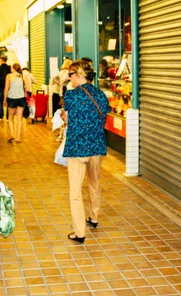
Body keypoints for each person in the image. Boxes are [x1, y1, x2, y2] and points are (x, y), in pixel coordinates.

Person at [62, 60, 110, 244]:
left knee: (75, 192)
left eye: (71, 74)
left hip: (77, 147)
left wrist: (64, 117)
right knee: (94, 182)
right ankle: (94, 216)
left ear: (81, 74)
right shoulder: (100, 94)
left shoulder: (72, 96)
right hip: (97, 145)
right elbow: (103, 118)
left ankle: (79, 232)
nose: (69, 77)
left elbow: (68, 119)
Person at [3, 63, 26, 143]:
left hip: (12, 98)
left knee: (10, 118)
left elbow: (6, 89)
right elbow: (24, 88)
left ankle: (12, 134)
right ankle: (18, 137)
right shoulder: (21, 76)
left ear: (13, 68)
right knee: (19, 118)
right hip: (21, 98)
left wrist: (4, 100)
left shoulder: (9, 76)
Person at [0, 56, 11, 120]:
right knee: (8, 102)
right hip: (8, 87)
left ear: (1, 60)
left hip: (0, 87)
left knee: (0, 102)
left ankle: (1, 116)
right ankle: (7, 117)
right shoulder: (9, 68)